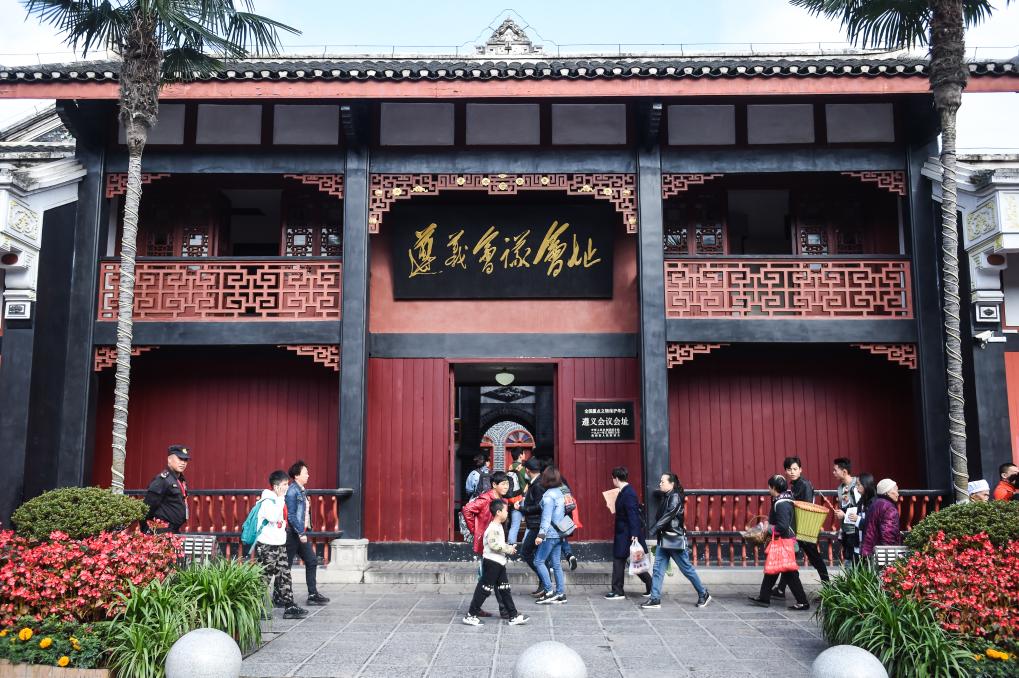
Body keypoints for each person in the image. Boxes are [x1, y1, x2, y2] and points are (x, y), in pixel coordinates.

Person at [641, 472, 710, 609]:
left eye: (663, 481)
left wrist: (653, 529)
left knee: (686, 569)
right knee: (658, 569)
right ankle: (655, 598)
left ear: (672, 484)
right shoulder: (666, 496)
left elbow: (669, 515)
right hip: (664, 539)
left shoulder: (675, 497)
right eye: (660, 481)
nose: (660, 484)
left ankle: (703, 593)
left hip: (673, 539)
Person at [463, 499, 530, 626]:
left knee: (505, 589)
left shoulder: (498, 526)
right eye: (506, 510)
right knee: (484, 589)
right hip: (492, 562)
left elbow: (497, 544)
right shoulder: (493, 527)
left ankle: (513, 615)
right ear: (498, 512)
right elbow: (494, 545)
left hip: (499, 562)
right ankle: (471, 615)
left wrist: (507, 548)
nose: (507, 513)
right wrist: (508, 549)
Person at [748, 475, 810, 611]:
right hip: (787, 542)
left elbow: (782, 526)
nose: (768, 488)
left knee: (790, 574)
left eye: (769, 486)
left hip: (785, 543)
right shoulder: (786, 499)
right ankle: (764, 597)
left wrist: (767, 528)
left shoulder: (781, 504)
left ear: (774, 488)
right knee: (772, 570)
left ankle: (803, 602)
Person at [772, 457, 829, 599]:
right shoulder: (793, 485)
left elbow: (807, 506)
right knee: (790, 559)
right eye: (789, 469)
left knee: (815, 559)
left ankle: (829, 591)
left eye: (795, 469)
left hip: (806, 528)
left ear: (800, 470)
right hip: (797, 528)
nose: (792, 472)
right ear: (785, 471)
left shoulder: (805, 484)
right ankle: (781, 589)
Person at [256, 470, 307, 620]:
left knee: (285, 575)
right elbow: (272, 517)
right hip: (268, 546)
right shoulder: (267, 500)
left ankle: (289, 606)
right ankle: (256, 608)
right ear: (276, 486)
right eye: (284, 484)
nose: (287, 487)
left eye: (287, 484)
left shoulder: (279, 499)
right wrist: (279, 498)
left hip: (279, 544)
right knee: (264, 578)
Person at [282, 460, 330, 607]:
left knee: (312, 560)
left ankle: (313, 594)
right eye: (305, 473)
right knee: (285, 567)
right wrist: (301, 532)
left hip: (299, 533)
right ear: (297, 475)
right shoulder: (292, 491)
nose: (308, 475)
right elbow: (291, 516)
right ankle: (282, 598)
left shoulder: (302, 490)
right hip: (292, 534)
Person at [605, 466, 653, 600]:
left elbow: (633, 515)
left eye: (612, 478)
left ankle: (618, 591)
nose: (612, 480)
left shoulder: (628, 493)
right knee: (633, 560)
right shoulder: (624, 491)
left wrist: (635, 534)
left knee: (619, 560)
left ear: (616, 478)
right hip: (625, 532)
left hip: (627, 533)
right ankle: (651, 586)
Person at [533, 466, 568, 605]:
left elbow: (546, 518)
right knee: (556, 564)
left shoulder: (548, 496)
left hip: (550, 533)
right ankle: (560, 594)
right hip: (561, 531)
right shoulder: (563, 490)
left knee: (538, 561)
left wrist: (540, 535)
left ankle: (548, 591)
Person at [142, 444, 191, 534]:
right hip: (162, 531)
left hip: (174, 530)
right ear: (169, 459)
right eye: (180, 459)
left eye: (185, 460)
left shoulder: (181, 480)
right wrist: (146, 531)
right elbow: (147, 508)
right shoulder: (162, 480)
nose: (183, 463)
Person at [463, 471, 511, 557]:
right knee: (487, 560)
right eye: (503, 484)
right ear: (494, 485)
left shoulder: (503, 500)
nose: (506, 487)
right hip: (486, 538)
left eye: (507, 484)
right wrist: (474, 529)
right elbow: (467, 509)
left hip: (497, 537)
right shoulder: (485, 499)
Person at [519, 458, 548, 596]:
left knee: (526, 552)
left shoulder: (537, 485)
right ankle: (544, 583)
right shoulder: (537, 482)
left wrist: (523, 509)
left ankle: (545, 581)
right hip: (536, 524)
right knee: (538, 555)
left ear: (528, 470)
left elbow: (540, 506)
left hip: (537, 524)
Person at [831, 457, 863, 565]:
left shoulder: (857, 485)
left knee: (855, 559)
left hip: (857, 530)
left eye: (835, 470)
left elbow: (860, 508)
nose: (833, 473)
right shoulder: (840, 488)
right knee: (847, 556)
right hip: (846, 529)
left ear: (844, 472)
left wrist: (844, 515)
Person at [860, 478, 901, 557]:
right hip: (881, 555)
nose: (898, 494)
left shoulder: (875, 504)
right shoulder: (889, 508)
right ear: (887, 492)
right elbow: (888, 535)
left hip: (868, 550)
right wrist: (891, 556)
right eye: (896, 490)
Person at [506, 448, 530, 544]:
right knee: (529, 524)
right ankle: (525, 544)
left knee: (514, 524)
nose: (524, 455)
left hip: (514, 498)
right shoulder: (523, 468)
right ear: (520, 455)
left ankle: (511, 545)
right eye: (523, 453)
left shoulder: (510, 467)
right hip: (524, 497)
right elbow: (530, 480)